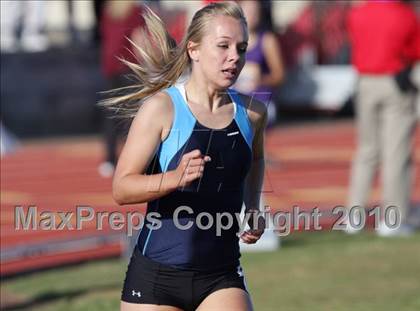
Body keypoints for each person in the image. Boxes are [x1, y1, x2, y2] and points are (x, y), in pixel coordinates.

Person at [103, 2, 267, 310]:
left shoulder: (253, 112)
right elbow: (121, 189)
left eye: (241, 48)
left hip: (221, 275)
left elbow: (256, 159)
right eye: (223, 46)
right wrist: (173, 179)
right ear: (194, 49)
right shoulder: (161, 109)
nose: (235, 56)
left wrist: (253, 205)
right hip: (156, 279)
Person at [345, 0, 419, 236]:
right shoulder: (405, 15)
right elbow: (414, 50)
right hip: (394, 81)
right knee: (395, 153)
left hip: (365, 81)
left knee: (367, 151)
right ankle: (393, 219)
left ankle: (353, 217)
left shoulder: (358, 14)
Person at [234, 0, 284, 127]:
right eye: (248, 11)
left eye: (255, 12)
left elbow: (280, 76)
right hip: (236, 101)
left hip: (261, 101)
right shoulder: (230, 40)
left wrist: (259, 80)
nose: (252, 15)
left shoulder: (267, 40)